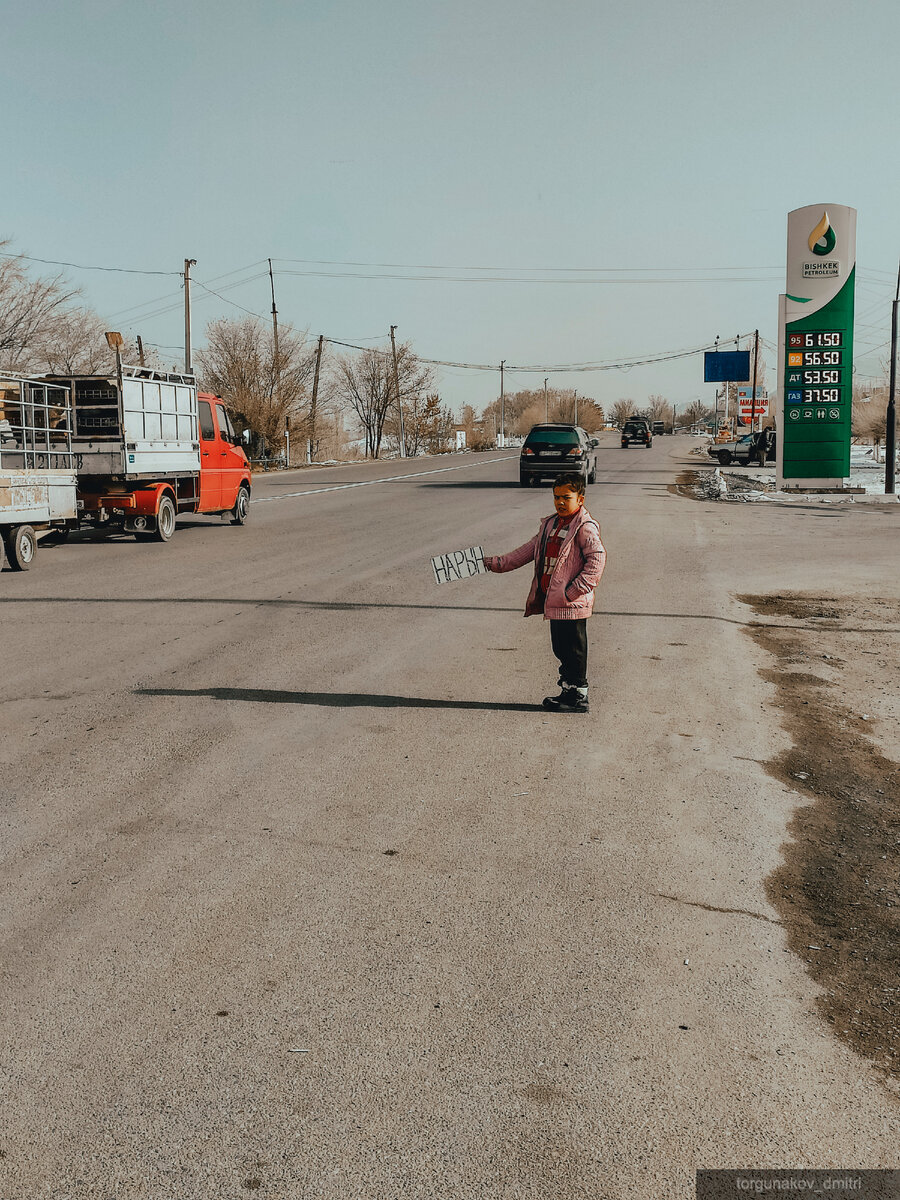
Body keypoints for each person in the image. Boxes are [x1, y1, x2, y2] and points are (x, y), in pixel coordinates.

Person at [483, 473, 606, 713]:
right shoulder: (550, 525)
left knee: (574, 649)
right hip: (556, 601)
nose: (560, 502)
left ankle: (578, 696)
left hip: (572, 604)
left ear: (580, 499)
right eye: (556, 497)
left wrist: (572, 592)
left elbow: (597, 561)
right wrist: (496, 563)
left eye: (566, 498)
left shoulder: (584, 526)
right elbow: (526, 552)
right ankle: (568, 691)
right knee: (560, 648)